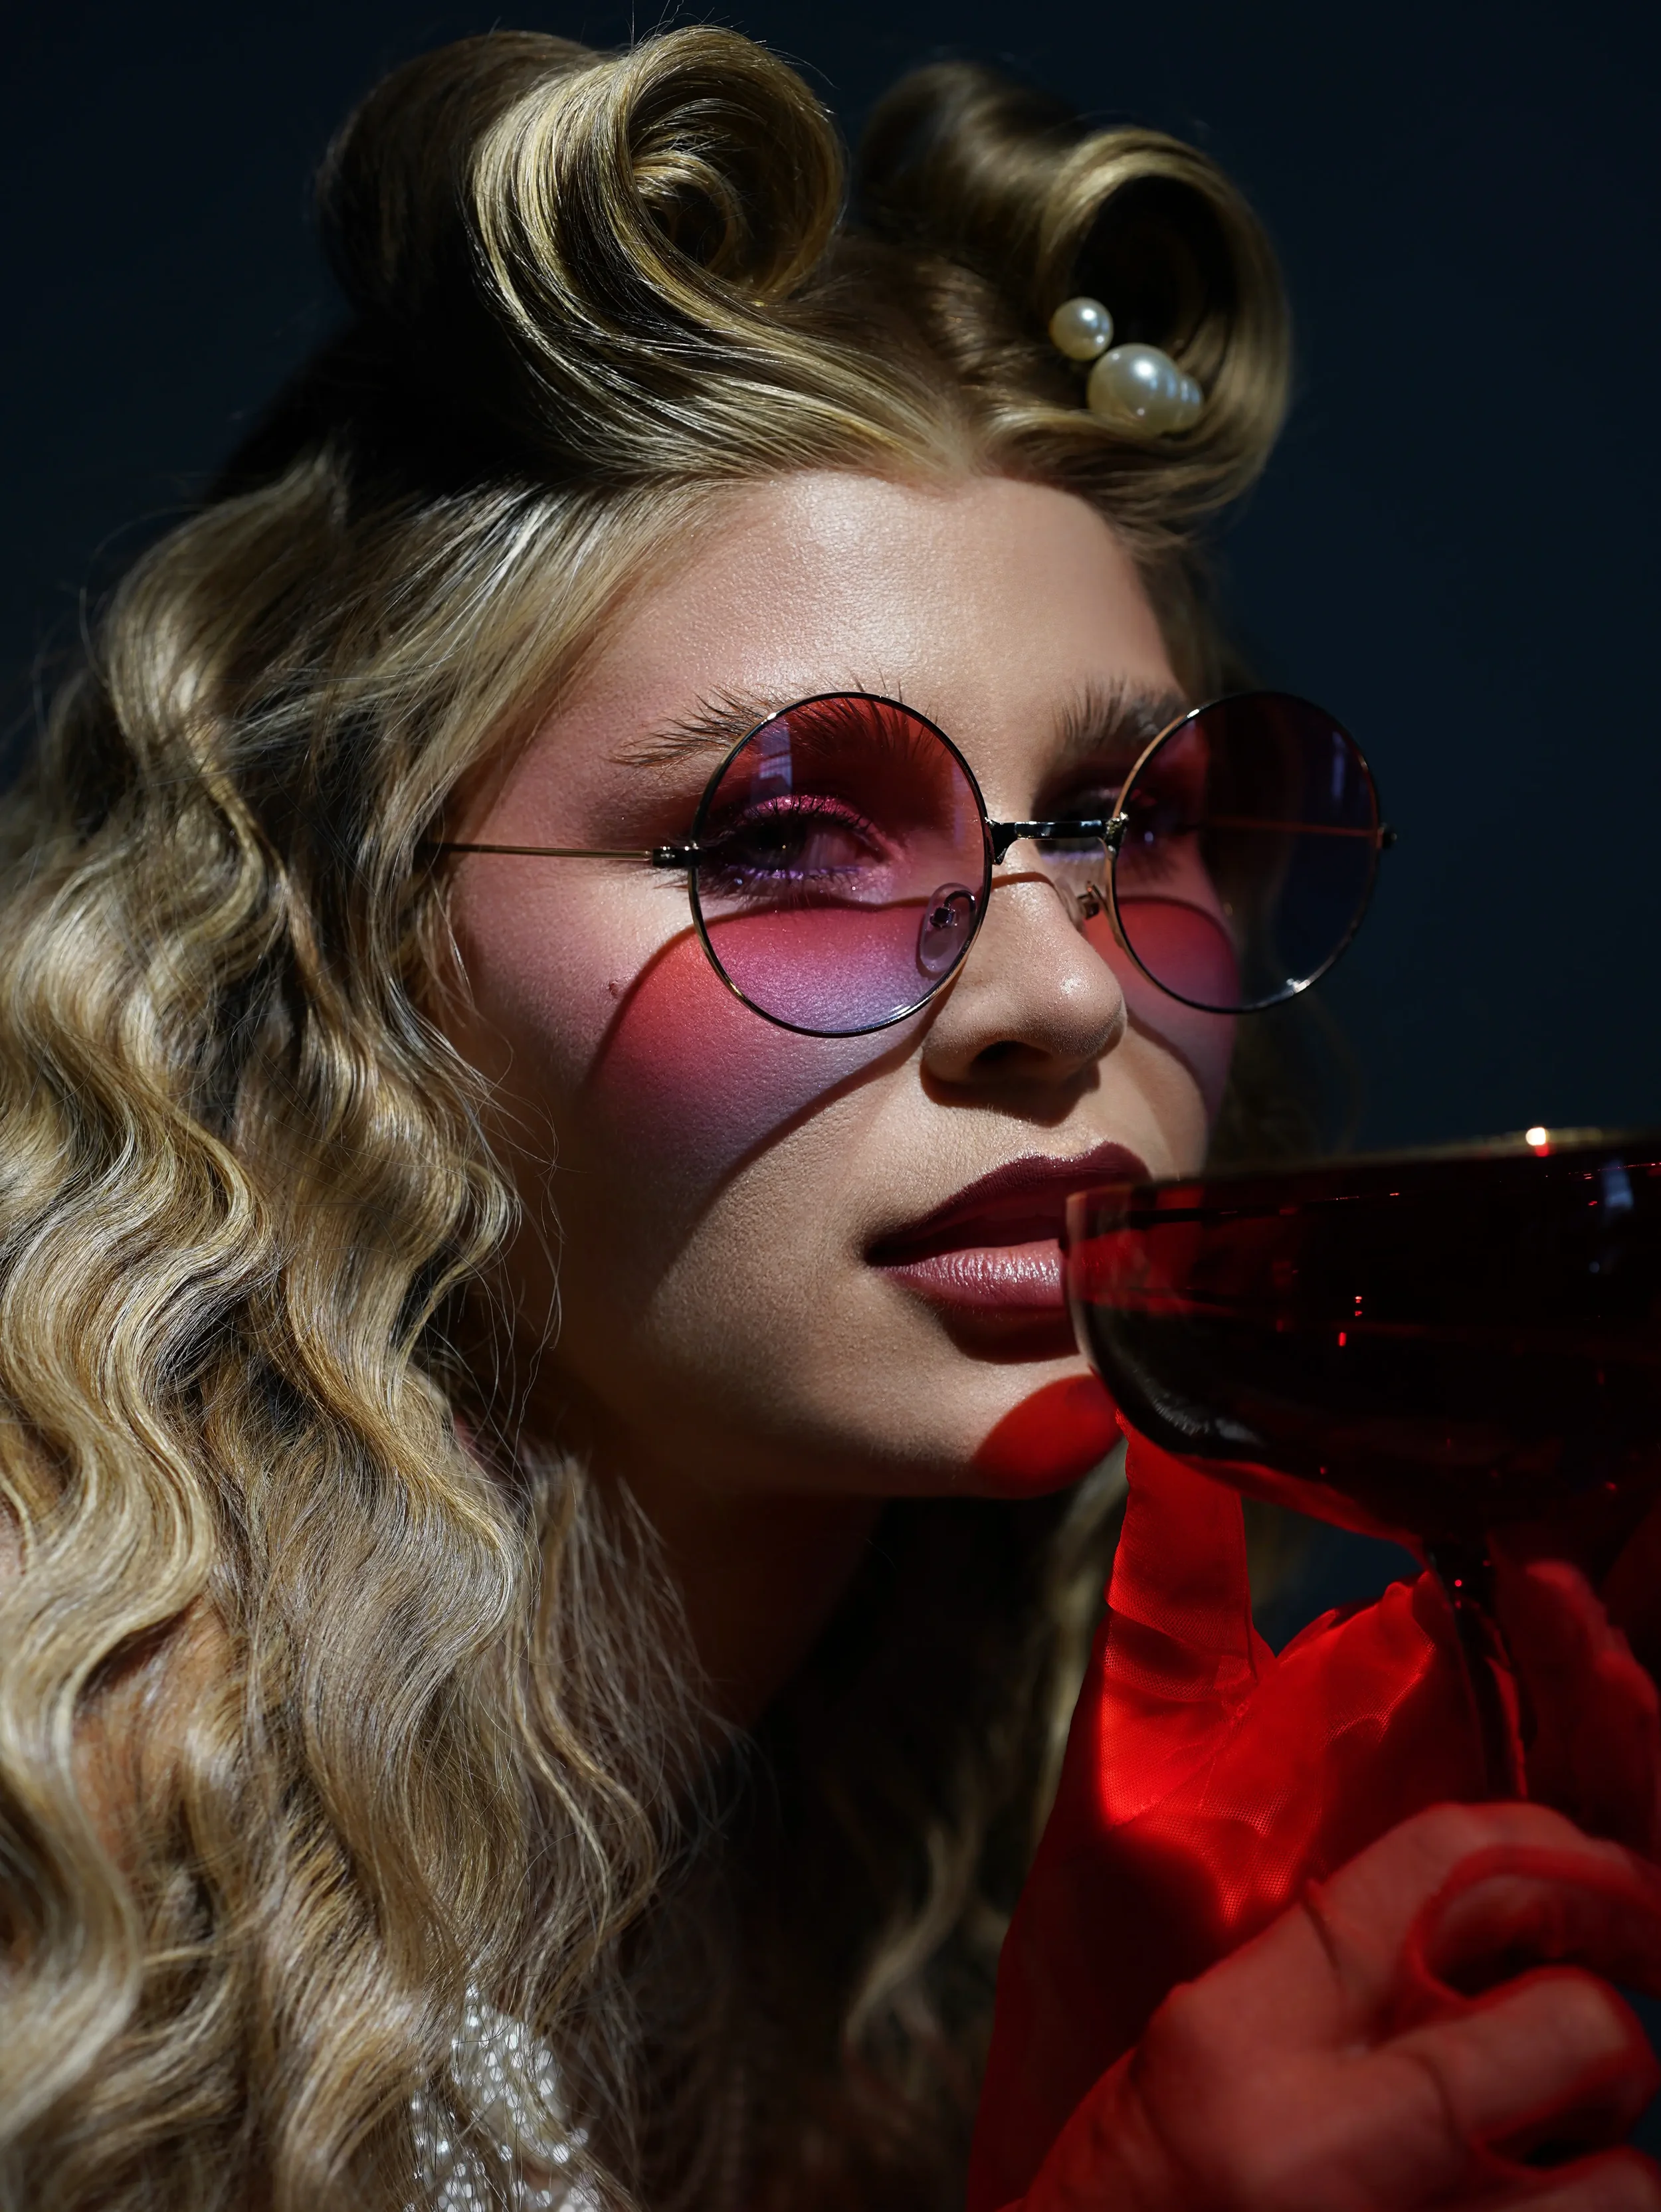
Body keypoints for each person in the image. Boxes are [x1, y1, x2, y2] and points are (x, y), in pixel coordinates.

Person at [1, 25, 1657, 2212]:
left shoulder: (937, 1865)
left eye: (1130, 819)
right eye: (785, 837)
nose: (1063, 991)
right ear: (340, 960)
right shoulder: (54, 1853)